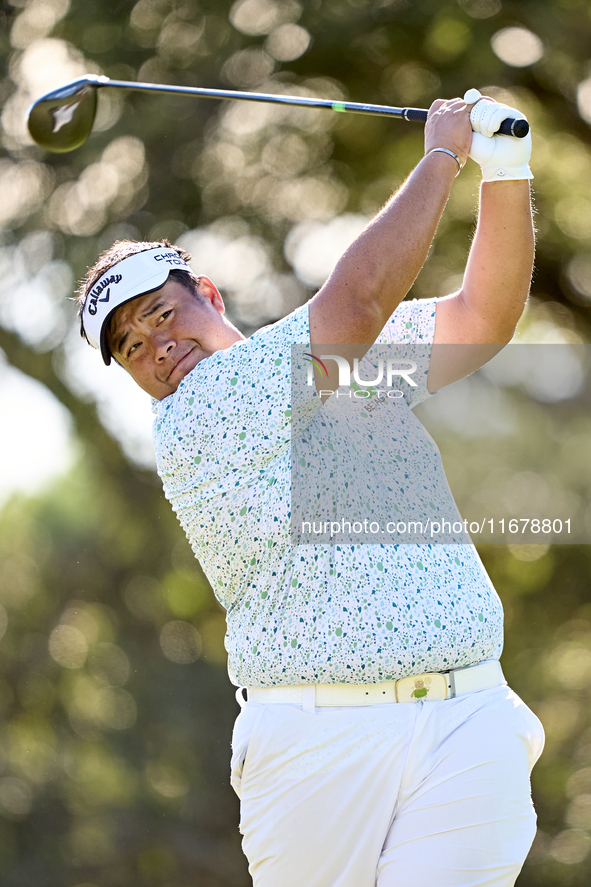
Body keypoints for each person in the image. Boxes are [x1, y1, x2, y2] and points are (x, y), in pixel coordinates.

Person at [75, 93, 545, 887]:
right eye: (132, 347)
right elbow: (355, 304)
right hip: (316, 743)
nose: (158, 347)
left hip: (468, 716)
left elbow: (482, 317)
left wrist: (505, 171)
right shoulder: (200, 419)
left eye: (162, 314)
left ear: (209, 296)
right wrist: (442, 156)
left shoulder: (342, 362)